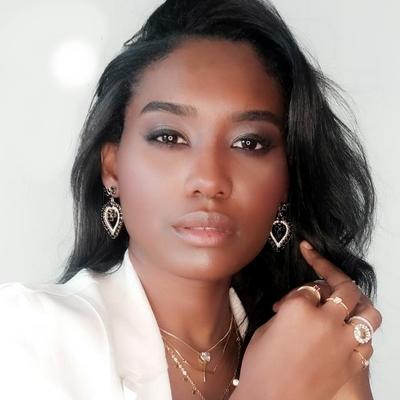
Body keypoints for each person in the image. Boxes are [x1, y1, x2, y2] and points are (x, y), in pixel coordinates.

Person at [0, 0, 382, 399]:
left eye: (249, 143)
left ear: (286, 180)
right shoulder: (26, 333)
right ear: (112, 168)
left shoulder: (307, 348)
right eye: (170, 137)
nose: (209, 181)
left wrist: (346, 381)